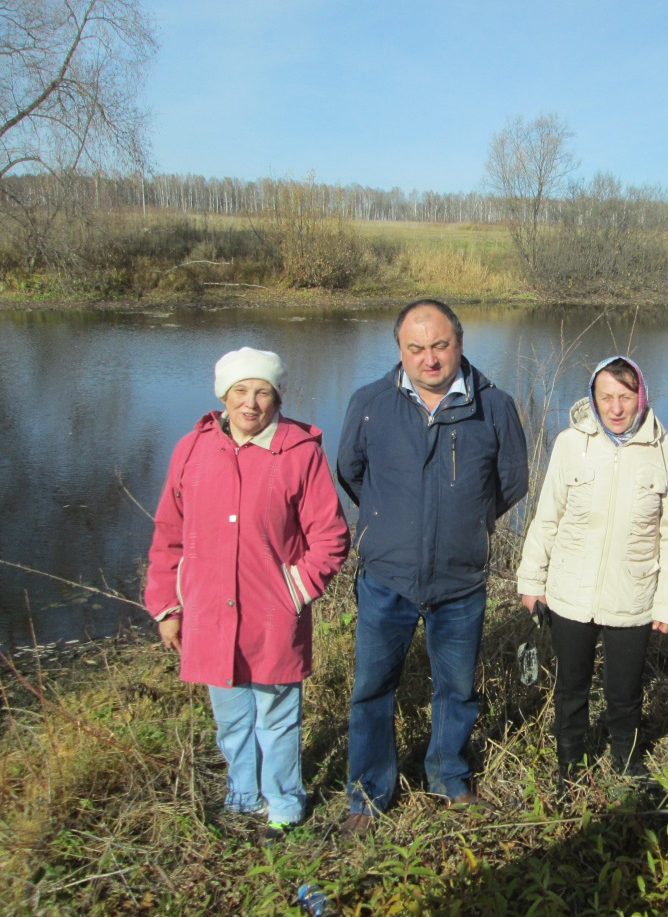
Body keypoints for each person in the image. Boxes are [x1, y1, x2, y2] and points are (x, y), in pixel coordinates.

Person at [336, 299, 528, 835]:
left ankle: (448, 776)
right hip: (385, 579)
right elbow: (350, 472)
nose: (430, 359)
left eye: (440, 345)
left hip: (460, 581)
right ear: (399, 349)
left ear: (460, 343)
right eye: (415, 348)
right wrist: (391, 526)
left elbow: (512, 482)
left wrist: (465, 524)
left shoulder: (495, 406)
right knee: (372, 688)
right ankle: (369, 794)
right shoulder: (371, 402)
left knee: (456, 688)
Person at [145, 347, 350, 842]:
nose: (250, 403)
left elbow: (330, 538)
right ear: (224, 396)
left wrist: (292, 592)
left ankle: (283, 803)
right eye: (240, 391)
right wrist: (168, 609)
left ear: (277, 396)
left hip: (272, 616)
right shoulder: (191, 451)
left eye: (262, 391)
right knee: (232, 719)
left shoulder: (300, 452)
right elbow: (169, 534)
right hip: (209, 616)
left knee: (276, 719)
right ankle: (242, 795)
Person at [517, 356, 668, 788]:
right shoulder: (569, 443)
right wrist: (531, 581)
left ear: (641, 397)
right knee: (570, 687)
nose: (616, 408)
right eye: (606, 397)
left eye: (625, 397)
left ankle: (626, 762)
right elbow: (546, 518)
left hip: (631, 596)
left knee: (624, 691)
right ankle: (570, 766)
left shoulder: (665, 450)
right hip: (569, 593)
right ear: (593, 398)